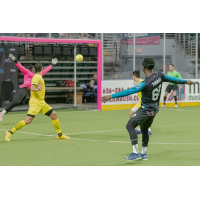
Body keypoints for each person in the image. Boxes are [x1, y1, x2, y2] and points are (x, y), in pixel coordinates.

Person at [101, 58, 193, 161]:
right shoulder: (160, 75)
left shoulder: (145, 83)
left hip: (146, 110)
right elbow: (173, 79)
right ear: (152, 67)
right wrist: (186, 81)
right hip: (155, 110)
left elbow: (130, 91)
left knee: (130, 126)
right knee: (144, 129)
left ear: (143, 68)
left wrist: (111, 96)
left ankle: (135, 152)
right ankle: (144, 154)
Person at [5, 62, 70, 141]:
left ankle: (59, 135)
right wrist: (38, 89)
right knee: (28, 120)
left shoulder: (38, 76)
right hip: (35, 103)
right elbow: (32, 88)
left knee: (54, 115)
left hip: (41, 103)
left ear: (35, 69)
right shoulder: (36, 77)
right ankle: (9, 132)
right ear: (42, 69)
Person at [0, 54, 54, 121]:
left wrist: (52, 64)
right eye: (33, 68)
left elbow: (46, 70)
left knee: (17, 102)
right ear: (31, 69)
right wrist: (15, 60)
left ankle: (3, 113)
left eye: (34, 68)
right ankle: (1, 113)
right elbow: (20, 67)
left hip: (28, 92)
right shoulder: (27, 72)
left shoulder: (37, 75)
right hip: (23, 89)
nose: (34, 69)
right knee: (16, 101)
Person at [129, 70, 152, 135]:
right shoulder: (139, 83)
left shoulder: (141, 82)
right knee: (131, 113)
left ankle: (148, 129)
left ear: (134, 76)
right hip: (140, 102)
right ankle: (139, 128)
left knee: (134, 114)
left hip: (144, 102)